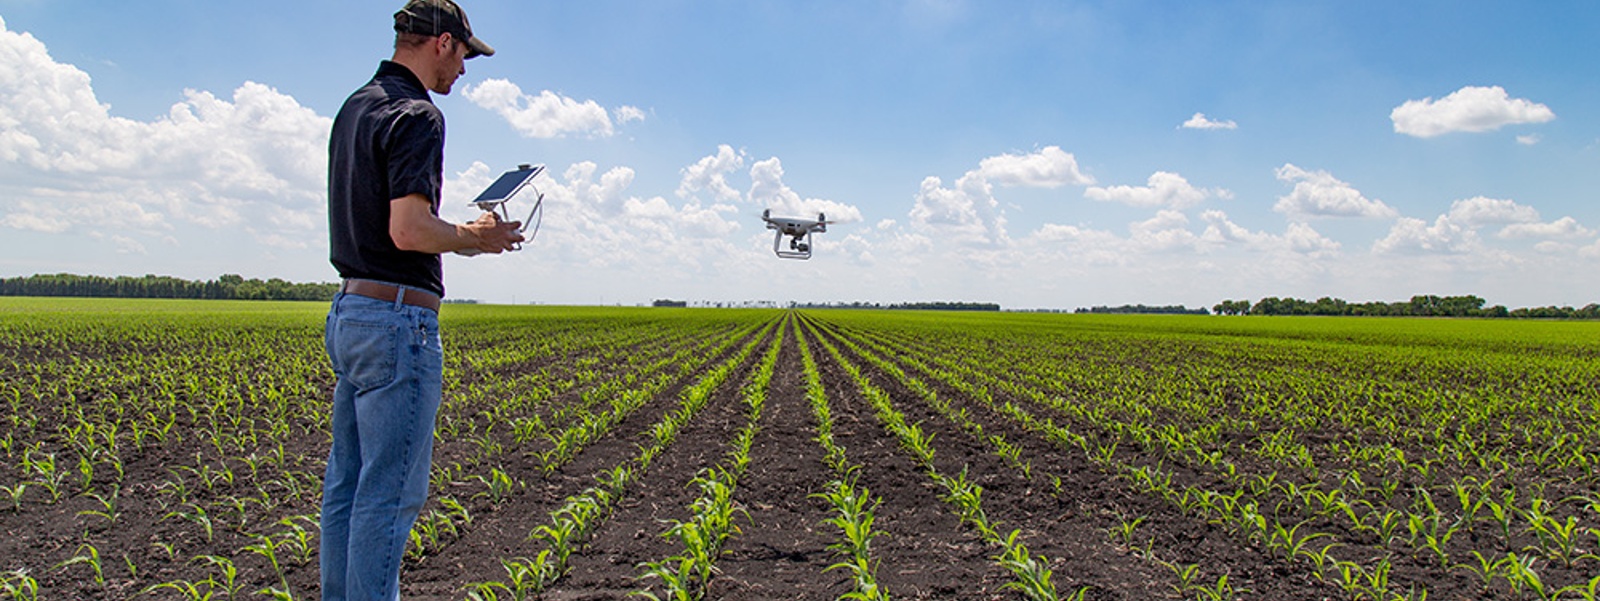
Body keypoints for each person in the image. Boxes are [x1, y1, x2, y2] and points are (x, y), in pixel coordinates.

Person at [321, 1, 520, 599]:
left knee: (348, 488)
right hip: (396, 319)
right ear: (441, 42)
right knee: (389, 494)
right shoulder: (419, 115)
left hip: (351, 312)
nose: (463, 70)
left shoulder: (356, 106)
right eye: (464, 55)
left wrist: (457, 234)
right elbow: (408, 230)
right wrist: (475, 240)